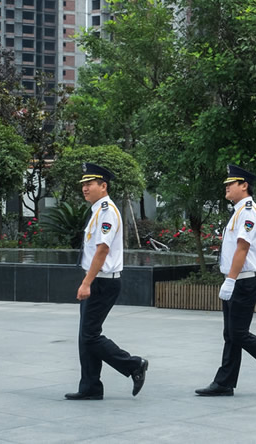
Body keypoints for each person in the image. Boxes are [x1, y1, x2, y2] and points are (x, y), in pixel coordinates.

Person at [195, 164, 256, 396]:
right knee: (230, 333)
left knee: (238, 333)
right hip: (236, 279)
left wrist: (231, 280)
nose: (226, 187)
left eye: (231, 183)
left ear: (244, 185)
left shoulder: (248, 210)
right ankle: (224, 382)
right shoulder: (239, 211)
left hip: (244, 280)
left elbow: (243, 247)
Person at [65, 163, 148, 400]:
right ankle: (90, 387)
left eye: (89, 184)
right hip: (96, 280)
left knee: (90, 336)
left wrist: (86, 283)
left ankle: (133, 365)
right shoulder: (97, 210)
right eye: (83, 184)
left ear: (104, 186)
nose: (85, 188)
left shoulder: (107, 211)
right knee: (86, 335)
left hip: (102, 282)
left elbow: (102, 250)